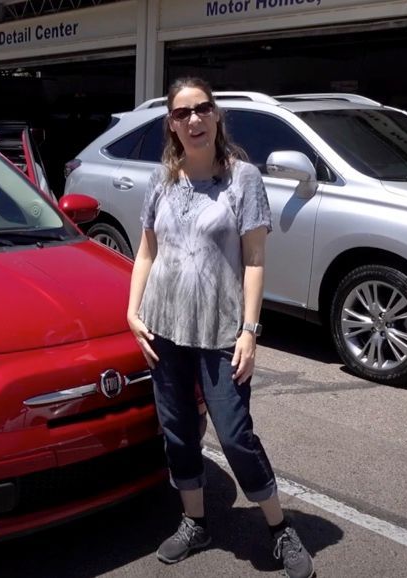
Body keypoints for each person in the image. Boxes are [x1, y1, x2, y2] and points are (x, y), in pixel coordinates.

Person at [126, 77, 314, 578]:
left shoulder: (243, 179)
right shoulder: (161, 180)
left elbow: (254, 260)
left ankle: (279, 528)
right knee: (179, 433)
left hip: (220, 330)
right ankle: (195, 522)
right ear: (171, 123)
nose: (194, 120)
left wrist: (250, 330)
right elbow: (146, 250)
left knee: (234, 434)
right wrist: (132, 311)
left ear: (216, 116)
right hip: (164, 327)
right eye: (183, 113)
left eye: (202, 109)